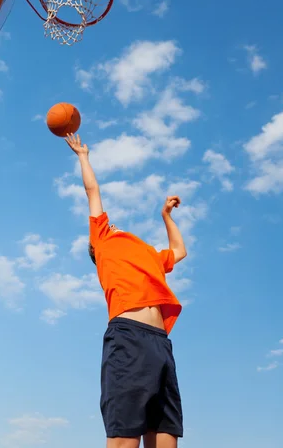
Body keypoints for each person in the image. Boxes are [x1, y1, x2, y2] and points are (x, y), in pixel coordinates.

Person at [66, 133, 186, 448]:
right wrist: (83, 156)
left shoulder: (147, 254)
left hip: (161, 344)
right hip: (129, 337)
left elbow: (179, 250)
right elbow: (92, 190)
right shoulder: (103, 238)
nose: (115, 224)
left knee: (165, 434)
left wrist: (166, 217)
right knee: (125, 438)